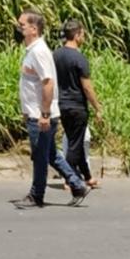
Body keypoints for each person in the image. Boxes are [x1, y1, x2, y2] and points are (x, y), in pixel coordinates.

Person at [13, 9, 90, 209]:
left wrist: (44, 114)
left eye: (22, 25)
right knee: (50, 154)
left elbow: (48, 83)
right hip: (36, 114)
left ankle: (36, 195)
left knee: (40, 156)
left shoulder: (39, 52)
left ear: (34, 29)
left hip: (41, 116)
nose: (19, 28)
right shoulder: (34, 51)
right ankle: (77, 184)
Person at [53, 19, 102, 188]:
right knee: (75, 144)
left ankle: (87, 176)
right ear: (76, 35)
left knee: (76, 141)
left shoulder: (56, 55)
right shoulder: (79, 58)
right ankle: (70, 177)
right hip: (77, 106)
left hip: (62, 105)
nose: (84, 37)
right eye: (83, 34)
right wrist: (97, 107)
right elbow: (87, 87)